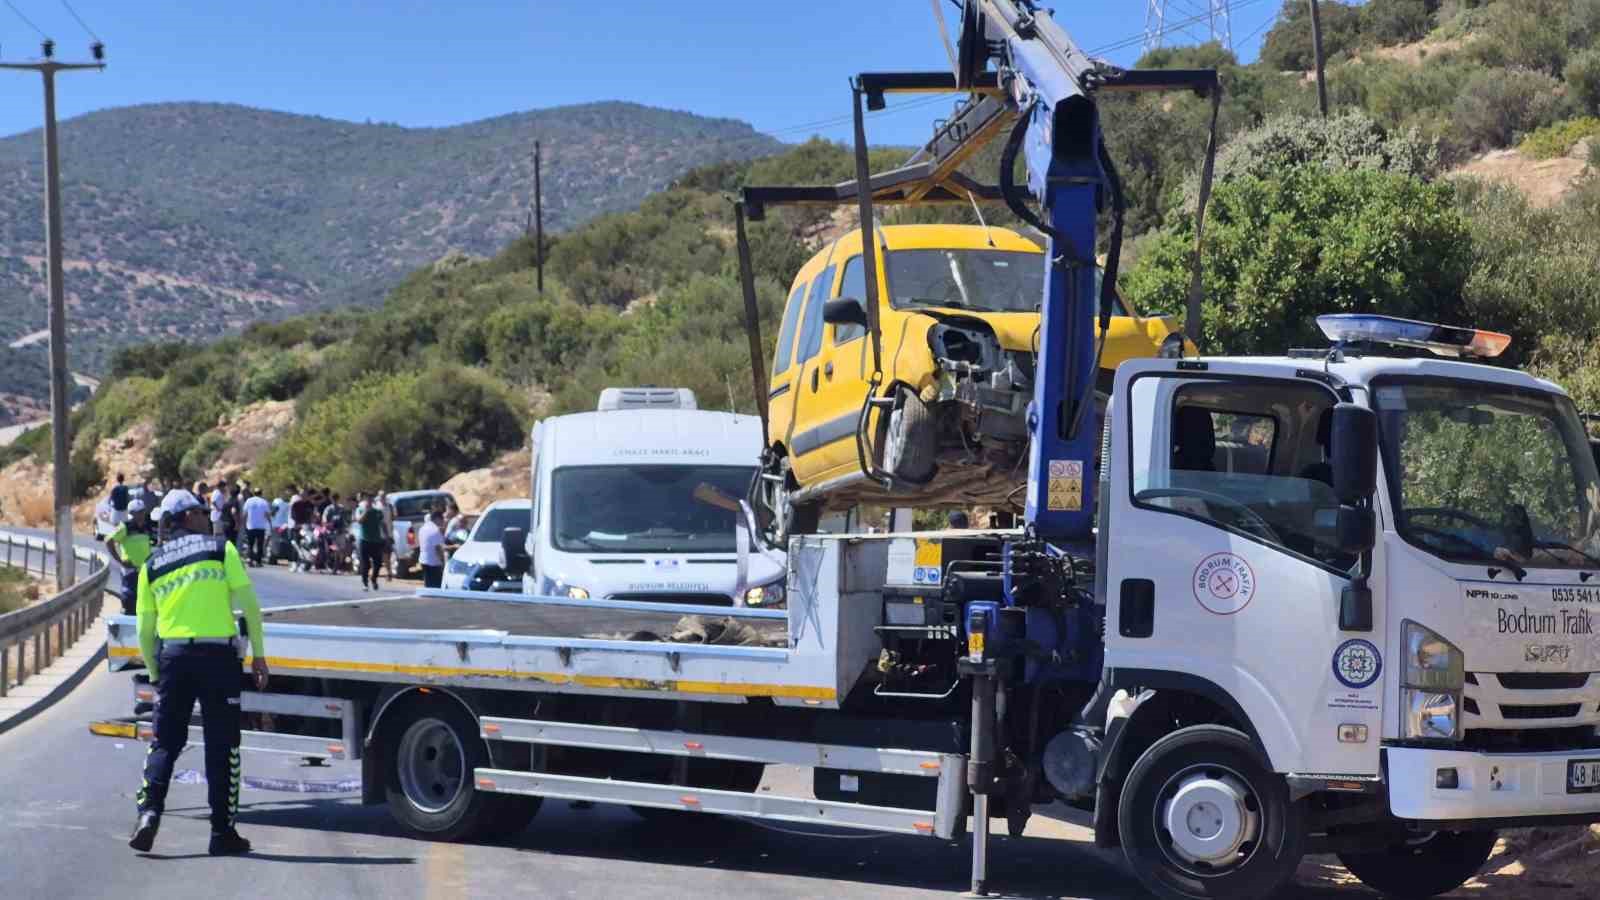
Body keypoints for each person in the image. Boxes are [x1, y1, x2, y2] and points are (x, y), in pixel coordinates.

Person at [128, 489, 268, 857]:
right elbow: (250, 606)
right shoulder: (221, 550)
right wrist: (259, 656)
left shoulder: (152, 564)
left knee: (164, 742)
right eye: (203, 511)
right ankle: (222, 832)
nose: (209, 516)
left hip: (173, 658)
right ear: (188, 517)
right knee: (223, 746)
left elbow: (144, 631)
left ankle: (148, 814)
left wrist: (155, 672)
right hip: (218, 658)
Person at [106, 498, 154, 615]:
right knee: (130, 599)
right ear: (131, 513)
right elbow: (108, 540)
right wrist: (120, 561)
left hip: (145, 569)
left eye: (142, 511)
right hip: (130, 570)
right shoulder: (125, 527)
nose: (141, 515)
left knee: (146, 600)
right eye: (138, 512)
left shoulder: (147, 527)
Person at [356, 492, 387, 591]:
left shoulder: (377, 511)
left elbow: (383, 524)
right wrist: (366, 511)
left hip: (376, 541)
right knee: (365, 564)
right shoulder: (360, 509)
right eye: (367, 499)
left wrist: (387, 536)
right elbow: (359, 521)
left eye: (371, 499)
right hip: (364, 540)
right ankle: (365, 583)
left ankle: (374, 579)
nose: (369, 501)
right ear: (365, 500)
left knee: (378, 563)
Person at [417, 507, 447, 589]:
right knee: (435, 586)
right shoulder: (435, 530)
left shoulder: (423, 528)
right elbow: (438, 548)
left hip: (423, 560)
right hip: (433, 562)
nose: (443, 521)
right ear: (437, 518)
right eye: (442, 519)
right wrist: (443, 563)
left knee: (428, 585)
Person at [241, 488, 272, 567]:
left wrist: (243, 524)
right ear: (261, 493)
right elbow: (267, 514)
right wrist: (270, 523)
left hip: (250, 526)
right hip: (261, 527)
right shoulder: (264, 502)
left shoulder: (248, 501)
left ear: (254, 493)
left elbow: (244, 514)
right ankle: (258, 562)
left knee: (250, 544)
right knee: (259, 545)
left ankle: (250, 560)